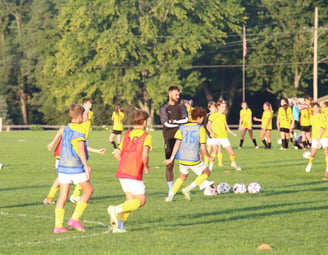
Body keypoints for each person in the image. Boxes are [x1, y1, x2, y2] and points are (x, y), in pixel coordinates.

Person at [107, 110, 151, 233]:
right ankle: (116, 209)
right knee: (141, 201)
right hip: (134, 172)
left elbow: (117, 154)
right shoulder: (146, 136)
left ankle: (118, 226)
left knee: (130, 200)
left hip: (122, 171)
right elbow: (145, 155)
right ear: (145, 122)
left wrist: (124, 162)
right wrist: (146, 167)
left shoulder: (127, 134)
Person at [54, 104, 94, 233]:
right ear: (80, 115)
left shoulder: (66, 128)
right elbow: (81, 150)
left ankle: (58, 226)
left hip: (63, 166)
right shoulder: (79, 131)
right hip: (75, 166)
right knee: (88, 191)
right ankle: (74, 219)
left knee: (63, 196)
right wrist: (86, 166)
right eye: (84, 114)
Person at [164, 107, 215, 202]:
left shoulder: (182, 127)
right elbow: (203, 147)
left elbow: (177, 143)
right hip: (193, 158)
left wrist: (171, 158)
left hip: (182, 158)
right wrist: (209, 157)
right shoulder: (200, 129)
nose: (203, 119)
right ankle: (188, 189)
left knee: (182, 177)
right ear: (199, 118)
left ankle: (169, 197)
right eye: (202, 118)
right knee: (207, 172)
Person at [160, 86, 188, 197]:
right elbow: (166, 123)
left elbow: (186, 119)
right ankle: (171, 189)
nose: (178, 96)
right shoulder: (164, 108)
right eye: (176, 94)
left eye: (178, 94)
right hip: (169, 138)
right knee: (170, 165)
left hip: (181, 138)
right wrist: (178, 123)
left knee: (189, 161)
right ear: (170, 94)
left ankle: (202, 183)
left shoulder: (181, 107)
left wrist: (174, 121)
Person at [207, 100, 242, 171]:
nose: (224, 109)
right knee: (215, 151)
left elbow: (226, 127)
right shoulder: (213, 115)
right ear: (218, 107)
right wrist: (211, 132)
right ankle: (210, 168)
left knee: (232, 153)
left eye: (225, 107)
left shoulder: (223, 116)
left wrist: (232, 133)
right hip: (215, 137)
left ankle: (233, 163)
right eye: (222, 107)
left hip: (224, 137)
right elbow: (208, 126)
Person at [305, 103, 326, 173]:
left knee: (326, 152)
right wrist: (309, 137)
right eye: (314, 108)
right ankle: (310, 163)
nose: (316, 109)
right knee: (313, 153)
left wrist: (319, 137)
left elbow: (324, 127)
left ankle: (327, 170)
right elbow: (309, 128)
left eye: (317, 107)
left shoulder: (322, 116)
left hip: (324, 136)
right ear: (313, 109)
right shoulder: (311, 117)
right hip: (314, 137)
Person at [204, 101, 223, 167]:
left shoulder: (218, 115)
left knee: (219, 148)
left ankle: (220, 163)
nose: (214, 109)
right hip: (211, 135)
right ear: (209, 108)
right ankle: (206, 163)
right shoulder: (208, 115)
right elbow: (205, 126)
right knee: (209, 149)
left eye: (215, 107)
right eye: (213, 108)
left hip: (218, 135)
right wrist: (209, 134)